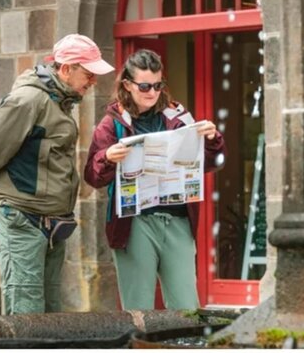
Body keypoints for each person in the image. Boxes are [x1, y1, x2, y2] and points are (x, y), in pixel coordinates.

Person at [0, 33, 114, 315]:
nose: (93, 82)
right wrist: (1, 198)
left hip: (52, 222)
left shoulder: (59, 99)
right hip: (22, 218)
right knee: (27, 313)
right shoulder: (29, 99)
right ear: (66, 69)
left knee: (50, 313)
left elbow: (18, 157)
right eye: (88, 74)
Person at [84, 49, 226, 310]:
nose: (152, 92)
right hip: (133, 223)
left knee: (187, 307)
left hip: (178, 220)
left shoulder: (178, 117)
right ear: (127, 84)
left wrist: (212, 139)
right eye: (145, 86)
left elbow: (211, 163)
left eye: (158, 85)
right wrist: (107, 157)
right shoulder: (110, 124)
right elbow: (92, 177)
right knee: (138, 308)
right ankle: (142, 350)